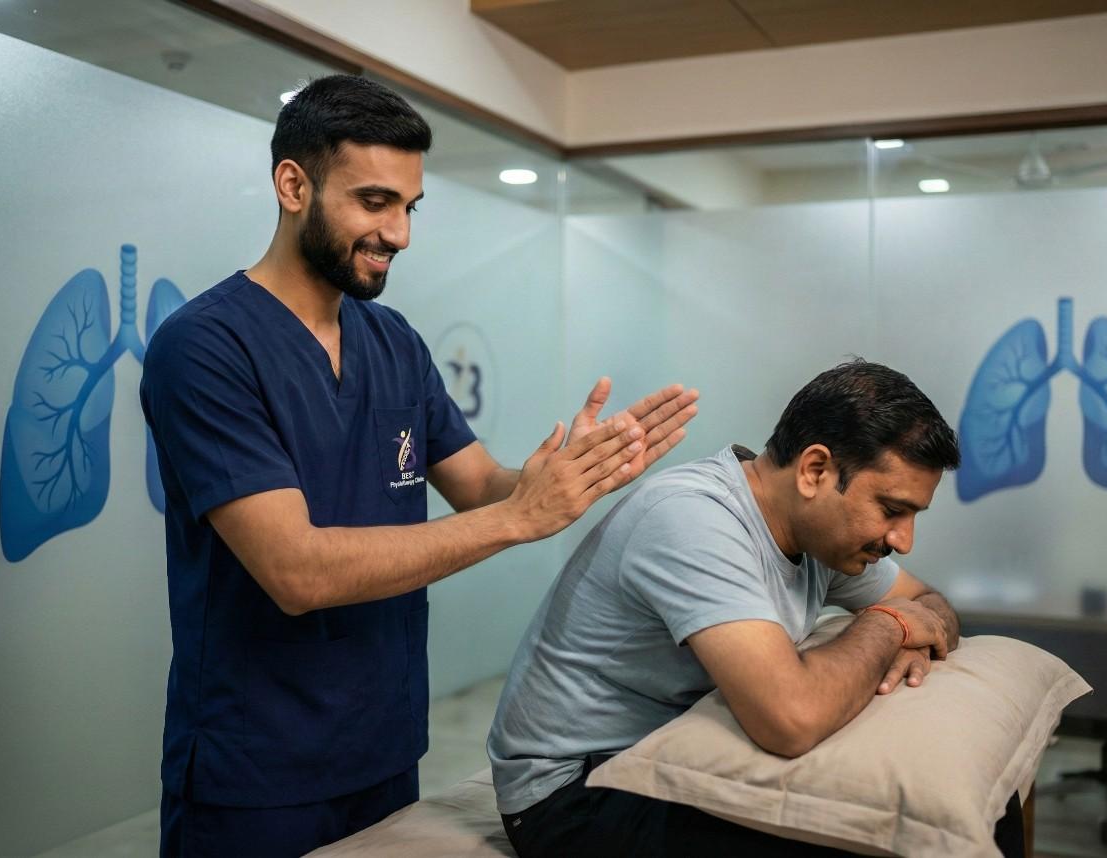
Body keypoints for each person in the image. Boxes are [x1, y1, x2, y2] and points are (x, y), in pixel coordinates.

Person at [139, 74, 698, 858]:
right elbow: (295, 571)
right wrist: (515, 518)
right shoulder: (204, 349)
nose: (399, 233)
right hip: (256, 767)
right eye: (374, 202)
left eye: (409, 207)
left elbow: (479, 485)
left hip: (385, 749)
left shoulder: (393, 341)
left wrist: (574, 473)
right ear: (292, 185)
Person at [487, 360, 1026, 858]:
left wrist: (915, 620)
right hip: (578, 793)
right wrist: (891, 625)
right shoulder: (694, 520)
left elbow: (930, 603)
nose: (903, 540)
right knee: (906, 841)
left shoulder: (826, 535)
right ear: (815, 470)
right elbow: (791, 719)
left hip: (670, 755)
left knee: (973, 803)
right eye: (892, 510)